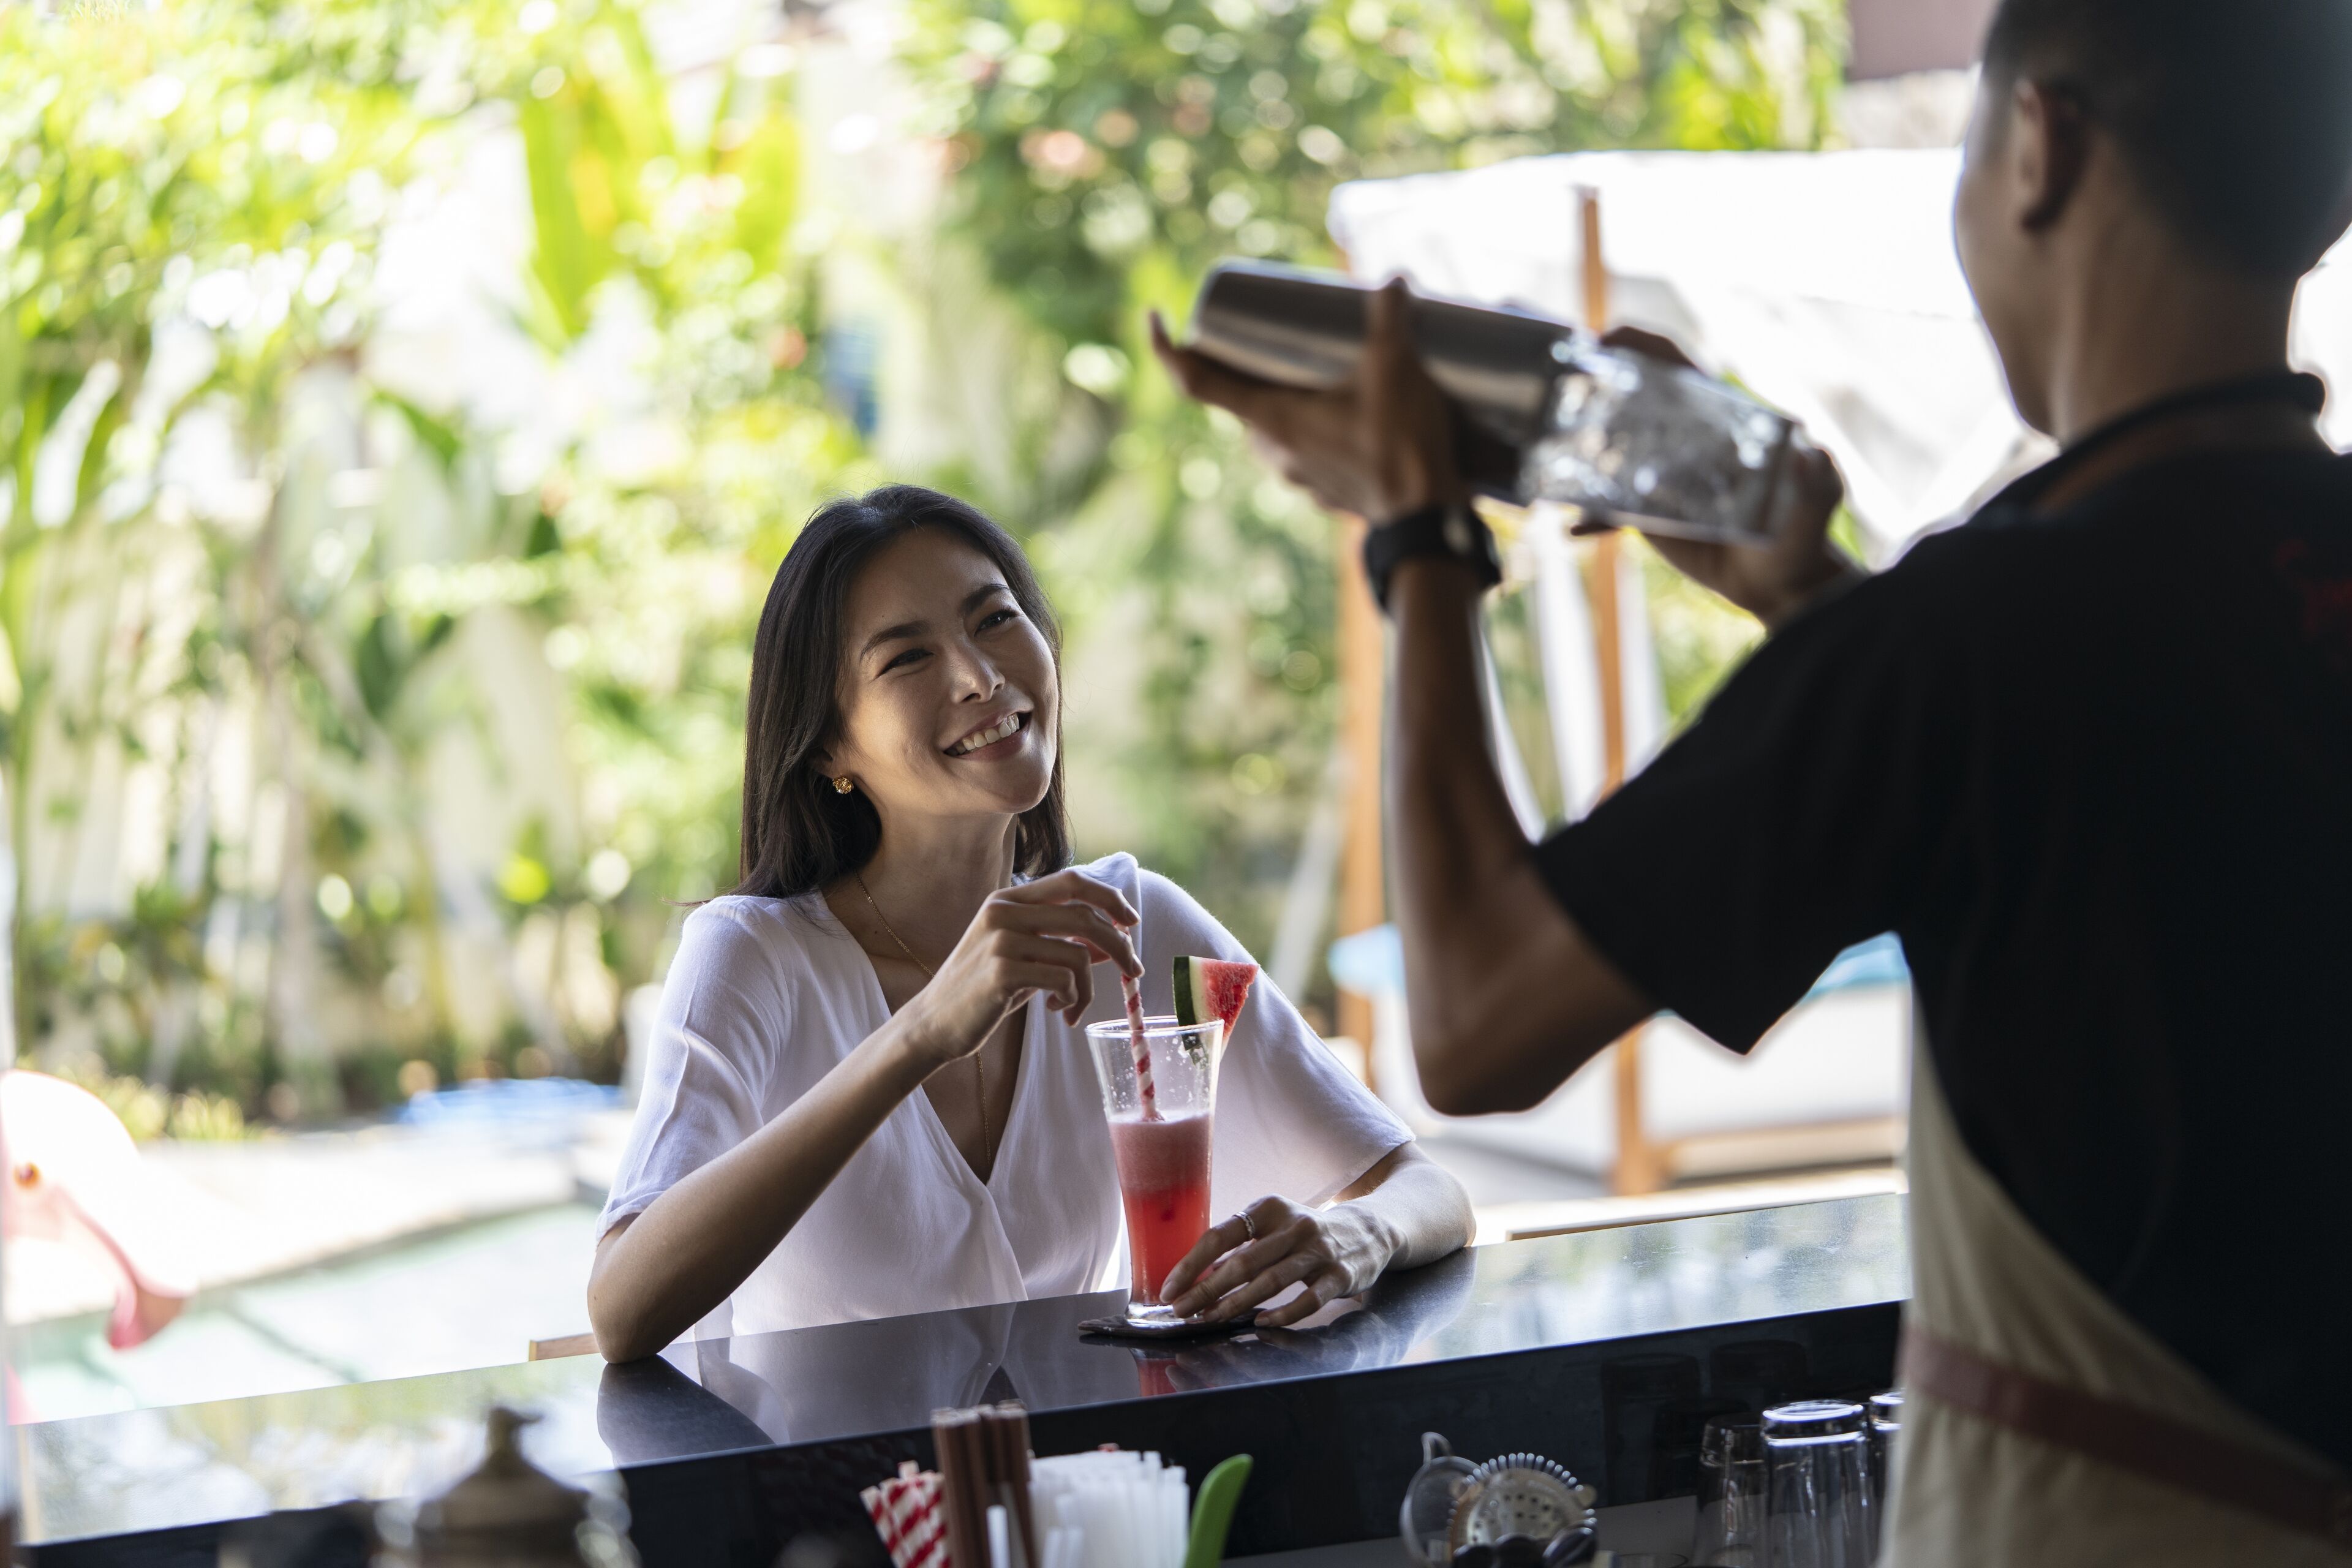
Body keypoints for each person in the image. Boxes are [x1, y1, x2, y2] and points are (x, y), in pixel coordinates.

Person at [1155, 0, 2352, 1561]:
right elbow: (2130, 792)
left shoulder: (1962, 637)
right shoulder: (1988, 637)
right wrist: (1813, 604)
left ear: (2038, 148)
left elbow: (1475, 1017)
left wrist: (1422, 540)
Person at [587, 484, 1470, 1361]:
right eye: (906, 659)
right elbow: (623, 1312)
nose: (979, 676)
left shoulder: (1132, 925)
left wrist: (1359, 1237)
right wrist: (919, 1035)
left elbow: (1425, 1190)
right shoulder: (753, 955)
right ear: (829, 748)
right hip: (844, 1498)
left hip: (1095, 1487)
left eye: (995, 619)